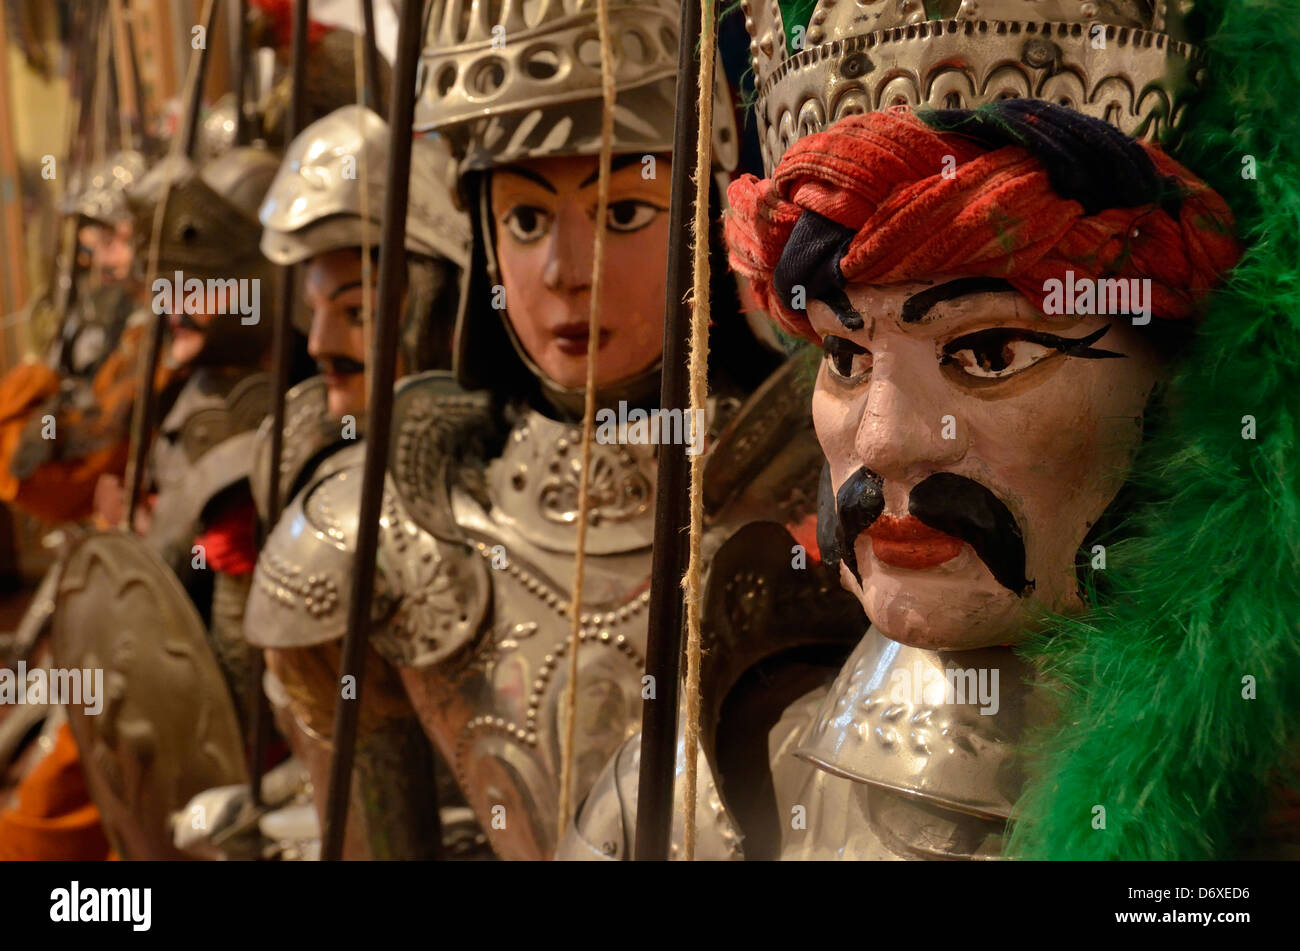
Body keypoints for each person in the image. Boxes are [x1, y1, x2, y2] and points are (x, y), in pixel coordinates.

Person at [241, 103, 475, 859]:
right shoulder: (310, 461)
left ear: (434, 314)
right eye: (314, 310)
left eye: (357, 312)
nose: (318, 344)